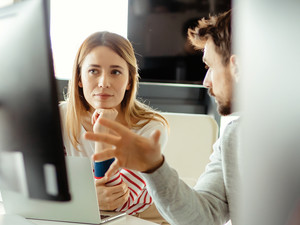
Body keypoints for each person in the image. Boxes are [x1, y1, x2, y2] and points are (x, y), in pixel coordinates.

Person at [85, 10, 241, 225]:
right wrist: (154, 167)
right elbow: (203, 218)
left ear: (237, 67)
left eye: (210, 66)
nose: (206, 82)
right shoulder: (233, 138)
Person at [59, 31, 169, 223]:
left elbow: (116, 202)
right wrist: (89, 198)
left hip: (143, 217)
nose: (104, 83)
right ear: (79, 78)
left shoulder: (151, 127)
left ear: (129, 81)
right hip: (82, 214)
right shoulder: (59, 117)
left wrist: (103, 132)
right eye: (93, 71)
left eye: (115, 72)